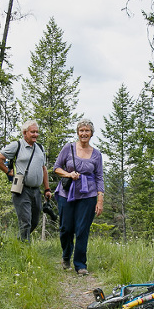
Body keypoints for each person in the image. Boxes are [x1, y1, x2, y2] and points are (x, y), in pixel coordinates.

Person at [53, 118, 104, 275]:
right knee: (66, 227)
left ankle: (80, 264)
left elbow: (99, 177)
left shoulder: (96, 154)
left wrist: (100, 200)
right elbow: (56, 168)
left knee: (82, 230)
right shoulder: (68, 148)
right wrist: (68, 174)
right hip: (66, 192)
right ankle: (66, 255)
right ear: (77, 132)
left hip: (88, 194)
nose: (84, 133)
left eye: (87, 131)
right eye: (81, 130)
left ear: (91, 133)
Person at [0, 120, 52, 242]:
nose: (35, 134)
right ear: (25, 133)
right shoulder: (17, 145)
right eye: (32, 132)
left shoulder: (40, 148)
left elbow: (43, 169)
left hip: (36, 191)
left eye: (37, 132)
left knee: (34, 221)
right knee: (25, 221)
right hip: (21, 188)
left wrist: (47, 189)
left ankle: (19, 241)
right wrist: (8, 172)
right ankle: (25, 251)